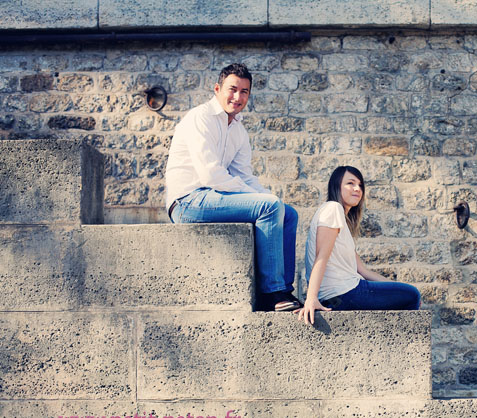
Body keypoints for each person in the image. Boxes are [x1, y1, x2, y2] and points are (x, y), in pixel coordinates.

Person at [164, 63, 299, 312]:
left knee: (287, 212)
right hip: (187, 201)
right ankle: (272, 293)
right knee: (269, 206)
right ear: (217, 89)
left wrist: (270, 198)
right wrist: (266, 202)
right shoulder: (200, 117)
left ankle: (285, 289)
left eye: (244, 92)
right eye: (232, 89)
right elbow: (210, 175)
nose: (238, 97)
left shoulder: (238, 130)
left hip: (212, 197)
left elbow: (244, 177)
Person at [297, 166, 420, 324]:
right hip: (345, 292)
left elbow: (362, 270)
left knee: (407, 293)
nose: (357, 189)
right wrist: (311, 298)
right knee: (413, 295)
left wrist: (397, 287)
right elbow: (321, 257)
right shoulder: (332, 208)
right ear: (337, 186)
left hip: (345, 293)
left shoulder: (341, 221)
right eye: (350, 183)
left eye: (360, 185)